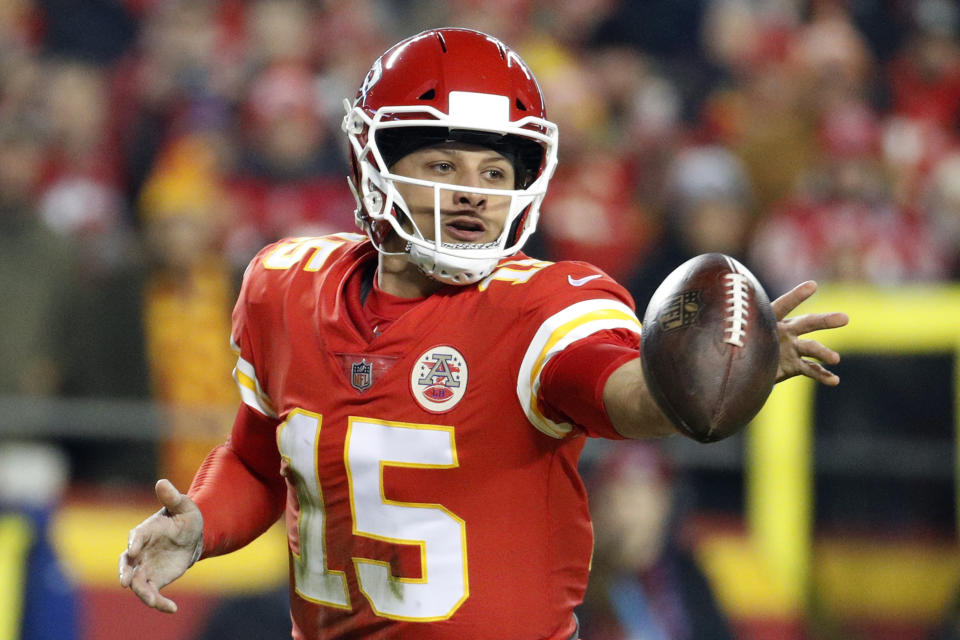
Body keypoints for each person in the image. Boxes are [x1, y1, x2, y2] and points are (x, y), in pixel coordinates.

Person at [119, 28, 848, 640]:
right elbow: (257, 456)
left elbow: (628, 394)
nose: (473, 190)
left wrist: (713, 368)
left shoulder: (546, 305)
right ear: (374, 170)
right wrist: (200, 525)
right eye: (442, 164)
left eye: (496, 169)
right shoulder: (286, 283)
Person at [577, 442, 734, 640]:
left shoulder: (686, 575)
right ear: (602, 505)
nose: (636, 513)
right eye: (625, 496)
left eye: (648, 497)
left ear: (667, 503)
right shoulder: (582, 580)